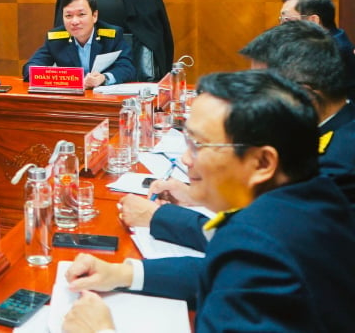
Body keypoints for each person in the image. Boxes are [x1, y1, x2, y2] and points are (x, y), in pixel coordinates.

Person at [62, 70, 355, 332]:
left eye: (198, 145)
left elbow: (244, 269)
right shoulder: (313, 199)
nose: (186, 159)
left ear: (262, 162)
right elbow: (221, 274)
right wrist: (123, 273)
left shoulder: (257, 245)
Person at [118, 21, 355, 252]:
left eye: (261, 89)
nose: (249, 100)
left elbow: (261, 239)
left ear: (304, 94)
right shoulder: (321, 130)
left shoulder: (340, 163)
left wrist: (160, 217)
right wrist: (199, 194)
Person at [22, 0, 135, 88]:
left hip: (103, 99)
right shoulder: (56, 39)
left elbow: (127, 68)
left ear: (94, 16)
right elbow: (30, 68)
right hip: (71, 100)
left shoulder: (111, 36)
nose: (74, 22)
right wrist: (59, 77)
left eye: (81, 15)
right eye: (68, 16)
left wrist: (103, 78)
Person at [280, 0, 355, 97]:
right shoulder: (331, 40)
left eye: (287, 19)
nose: (282, 25)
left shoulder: (331, 51)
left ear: (313, 20)